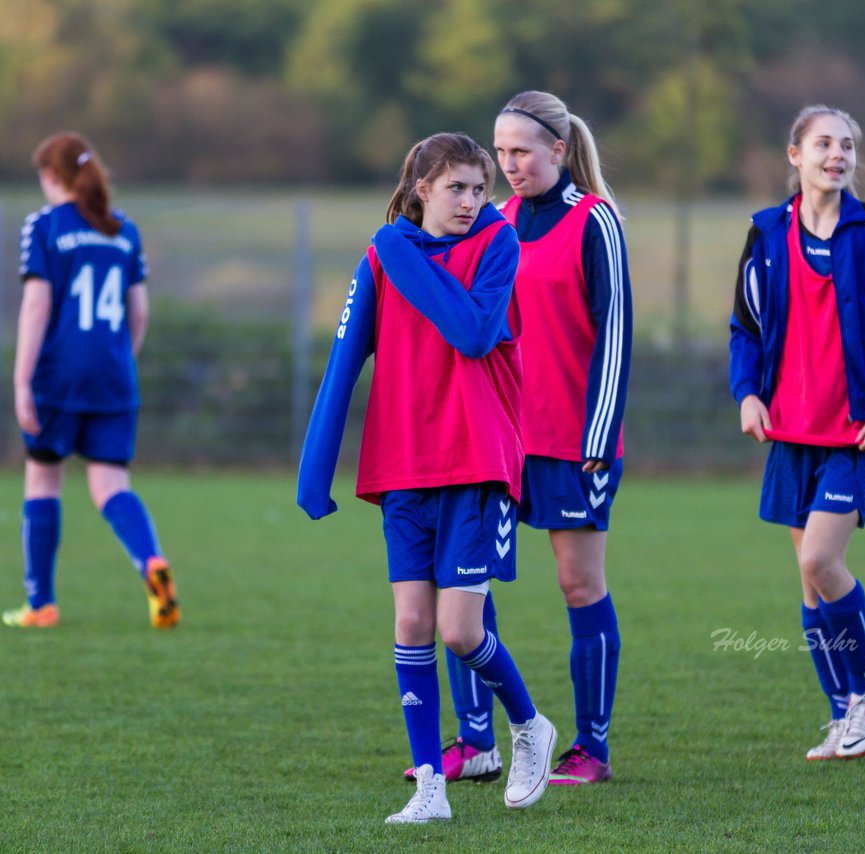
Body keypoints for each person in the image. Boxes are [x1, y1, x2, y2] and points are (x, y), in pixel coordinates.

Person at [297, 132, 557, 823]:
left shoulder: (496, 244)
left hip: (477, 461)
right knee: (411, 622)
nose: (473, 201)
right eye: (457, 189)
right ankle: (430, 792)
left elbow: (473, 333)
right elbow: (345, 357)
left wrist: (400, 253)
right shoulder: (382, 258)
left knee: (458, 630)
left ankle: (530, 726)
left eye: (479, 188)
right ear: (421, 190)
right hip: (403, 465)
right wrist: (315, 466)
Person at [419, 91, 632, 788]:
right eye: (500, 151)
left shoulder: (595, 222)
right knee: (466, 586)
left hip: (575, 442)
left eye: (521, 151)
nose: (509, 165)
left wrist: (598, 433)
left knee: (578, 583)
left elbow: (616, 334)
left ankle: (591, 748)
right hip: (498, 439)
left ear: (559, 151)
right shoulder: (492, 220)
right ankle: (477, 741)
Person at [728, 105, 865, 759]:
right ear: (794, 154)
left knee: (821, 560)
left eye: (846, 145)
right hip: (791, 432)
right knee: (808, 582)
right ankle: (842, 714)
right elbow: (745, 328)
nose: (837, 154)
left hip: (856, 433)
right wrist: (749, 393)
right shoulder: (764, 235)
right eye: (823, 143)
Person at [3, 131, 179, 630]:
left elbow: (37, 304)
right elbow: (139, 313)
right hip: (113, 374)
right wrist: (122, 360)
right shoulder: (124, 231)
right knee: (110, 484)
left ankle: (42, 604)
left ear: (50, 176)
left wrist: (21, 381)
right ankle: (151, 563)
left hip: (59, 374)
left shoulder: (43, 226)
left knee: (43, 477)